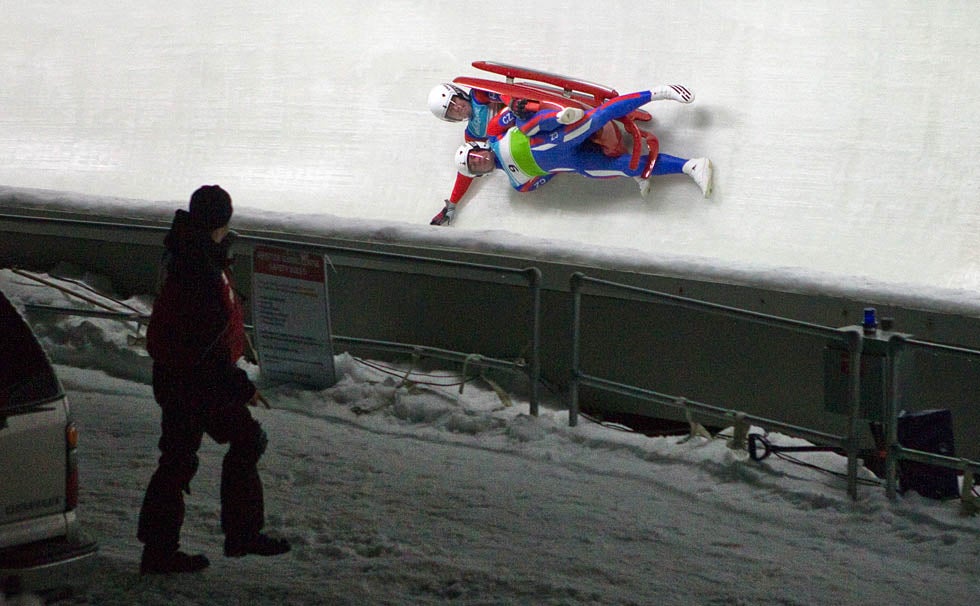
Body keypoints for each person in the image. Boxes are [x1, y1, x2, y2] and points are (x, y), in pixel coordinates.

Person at [137, 185, 290, 574]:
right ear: (220, 222)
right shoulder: (200, 268)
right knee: (241, 440)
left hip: (180, 378)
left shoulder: (190, 254)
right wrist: (243, 387)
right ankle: (239, 534)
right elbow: (206, 346)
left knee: (177, 459)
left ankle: (159, 550)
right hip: (195, 382)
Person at [447, 85, 712, 220]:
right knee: (624, 167)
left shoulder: (493, 132)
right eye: (476, 165)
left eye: (476, 156)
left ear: (478, 147)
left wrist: (518, 106)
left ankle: (658, 92)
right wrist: (452, 204)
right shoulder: (519, 185)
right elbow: (548, 176)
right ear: (480, 173)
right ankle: (690, 166)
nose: (480, 161)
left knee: (589, 120)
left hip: (551, 132)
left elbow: (514, 113)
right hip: (573, 160)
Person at [428, 83, 505, 225]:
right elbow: (466, 167)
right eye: (451, 111)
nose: (457, 108)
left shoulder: (477, 95)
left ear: (459, 94)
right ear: (452, 119)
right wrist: (452, 203)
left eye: (454, 102)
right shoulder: (472, 133)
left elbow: (505, 94)